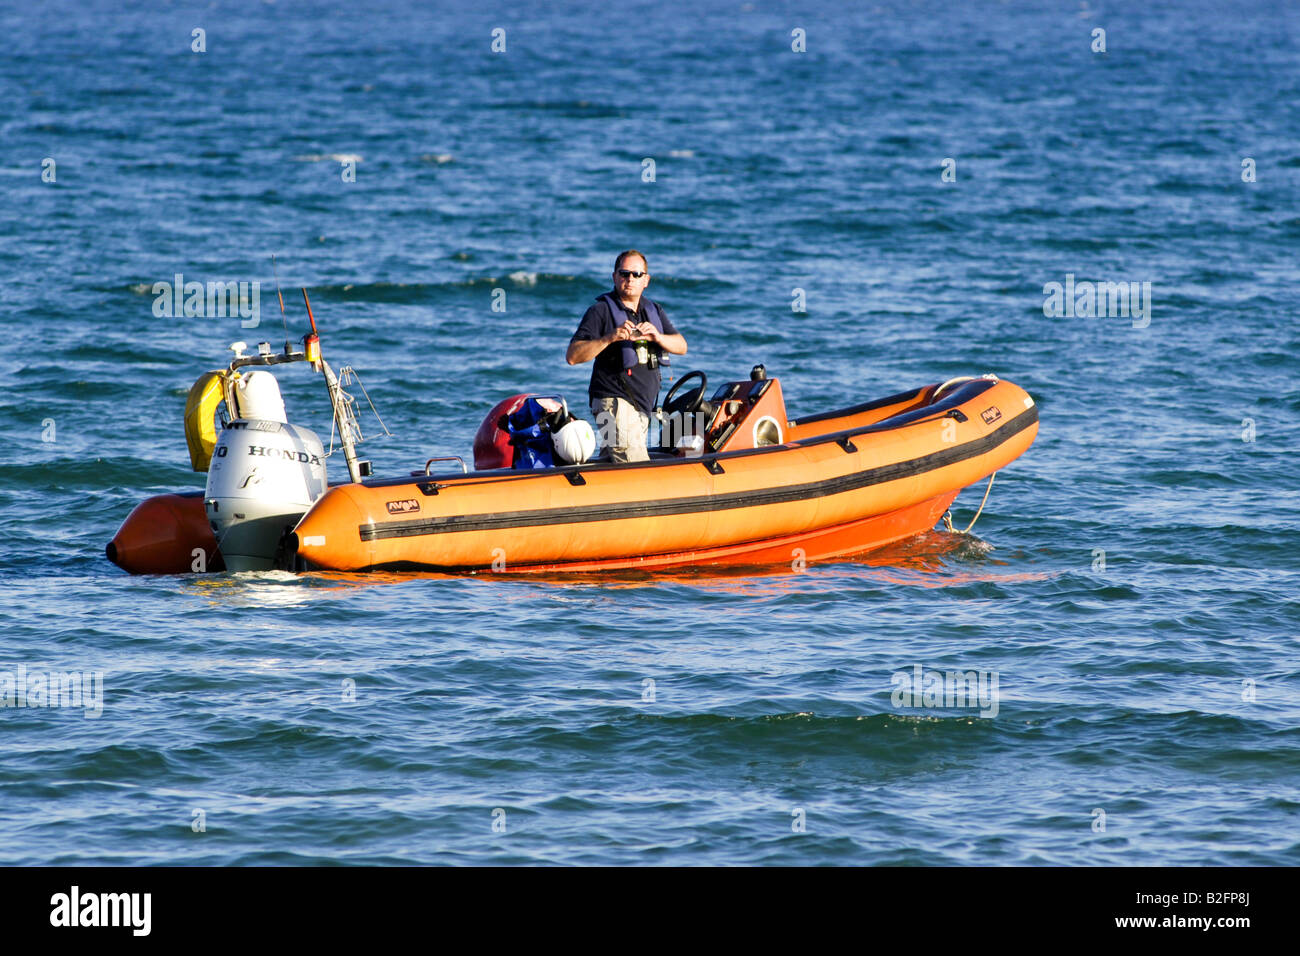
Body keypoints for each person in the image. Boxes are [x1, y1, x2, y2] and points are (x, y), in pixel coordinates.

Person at [566, 250, 688, 462]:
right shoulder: (600, 311)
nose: (630, 279)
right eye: (624, 274)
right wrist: (609, 338)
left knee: (612, 466)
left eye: (637, 274)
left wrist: (657, 337)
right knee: (635, 466)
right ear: (614, 277)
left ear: (646, 280)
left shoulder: (653, 311)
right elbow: (573, 356)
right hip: (612, 404)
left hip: (641, 408)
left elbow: (681, 346)